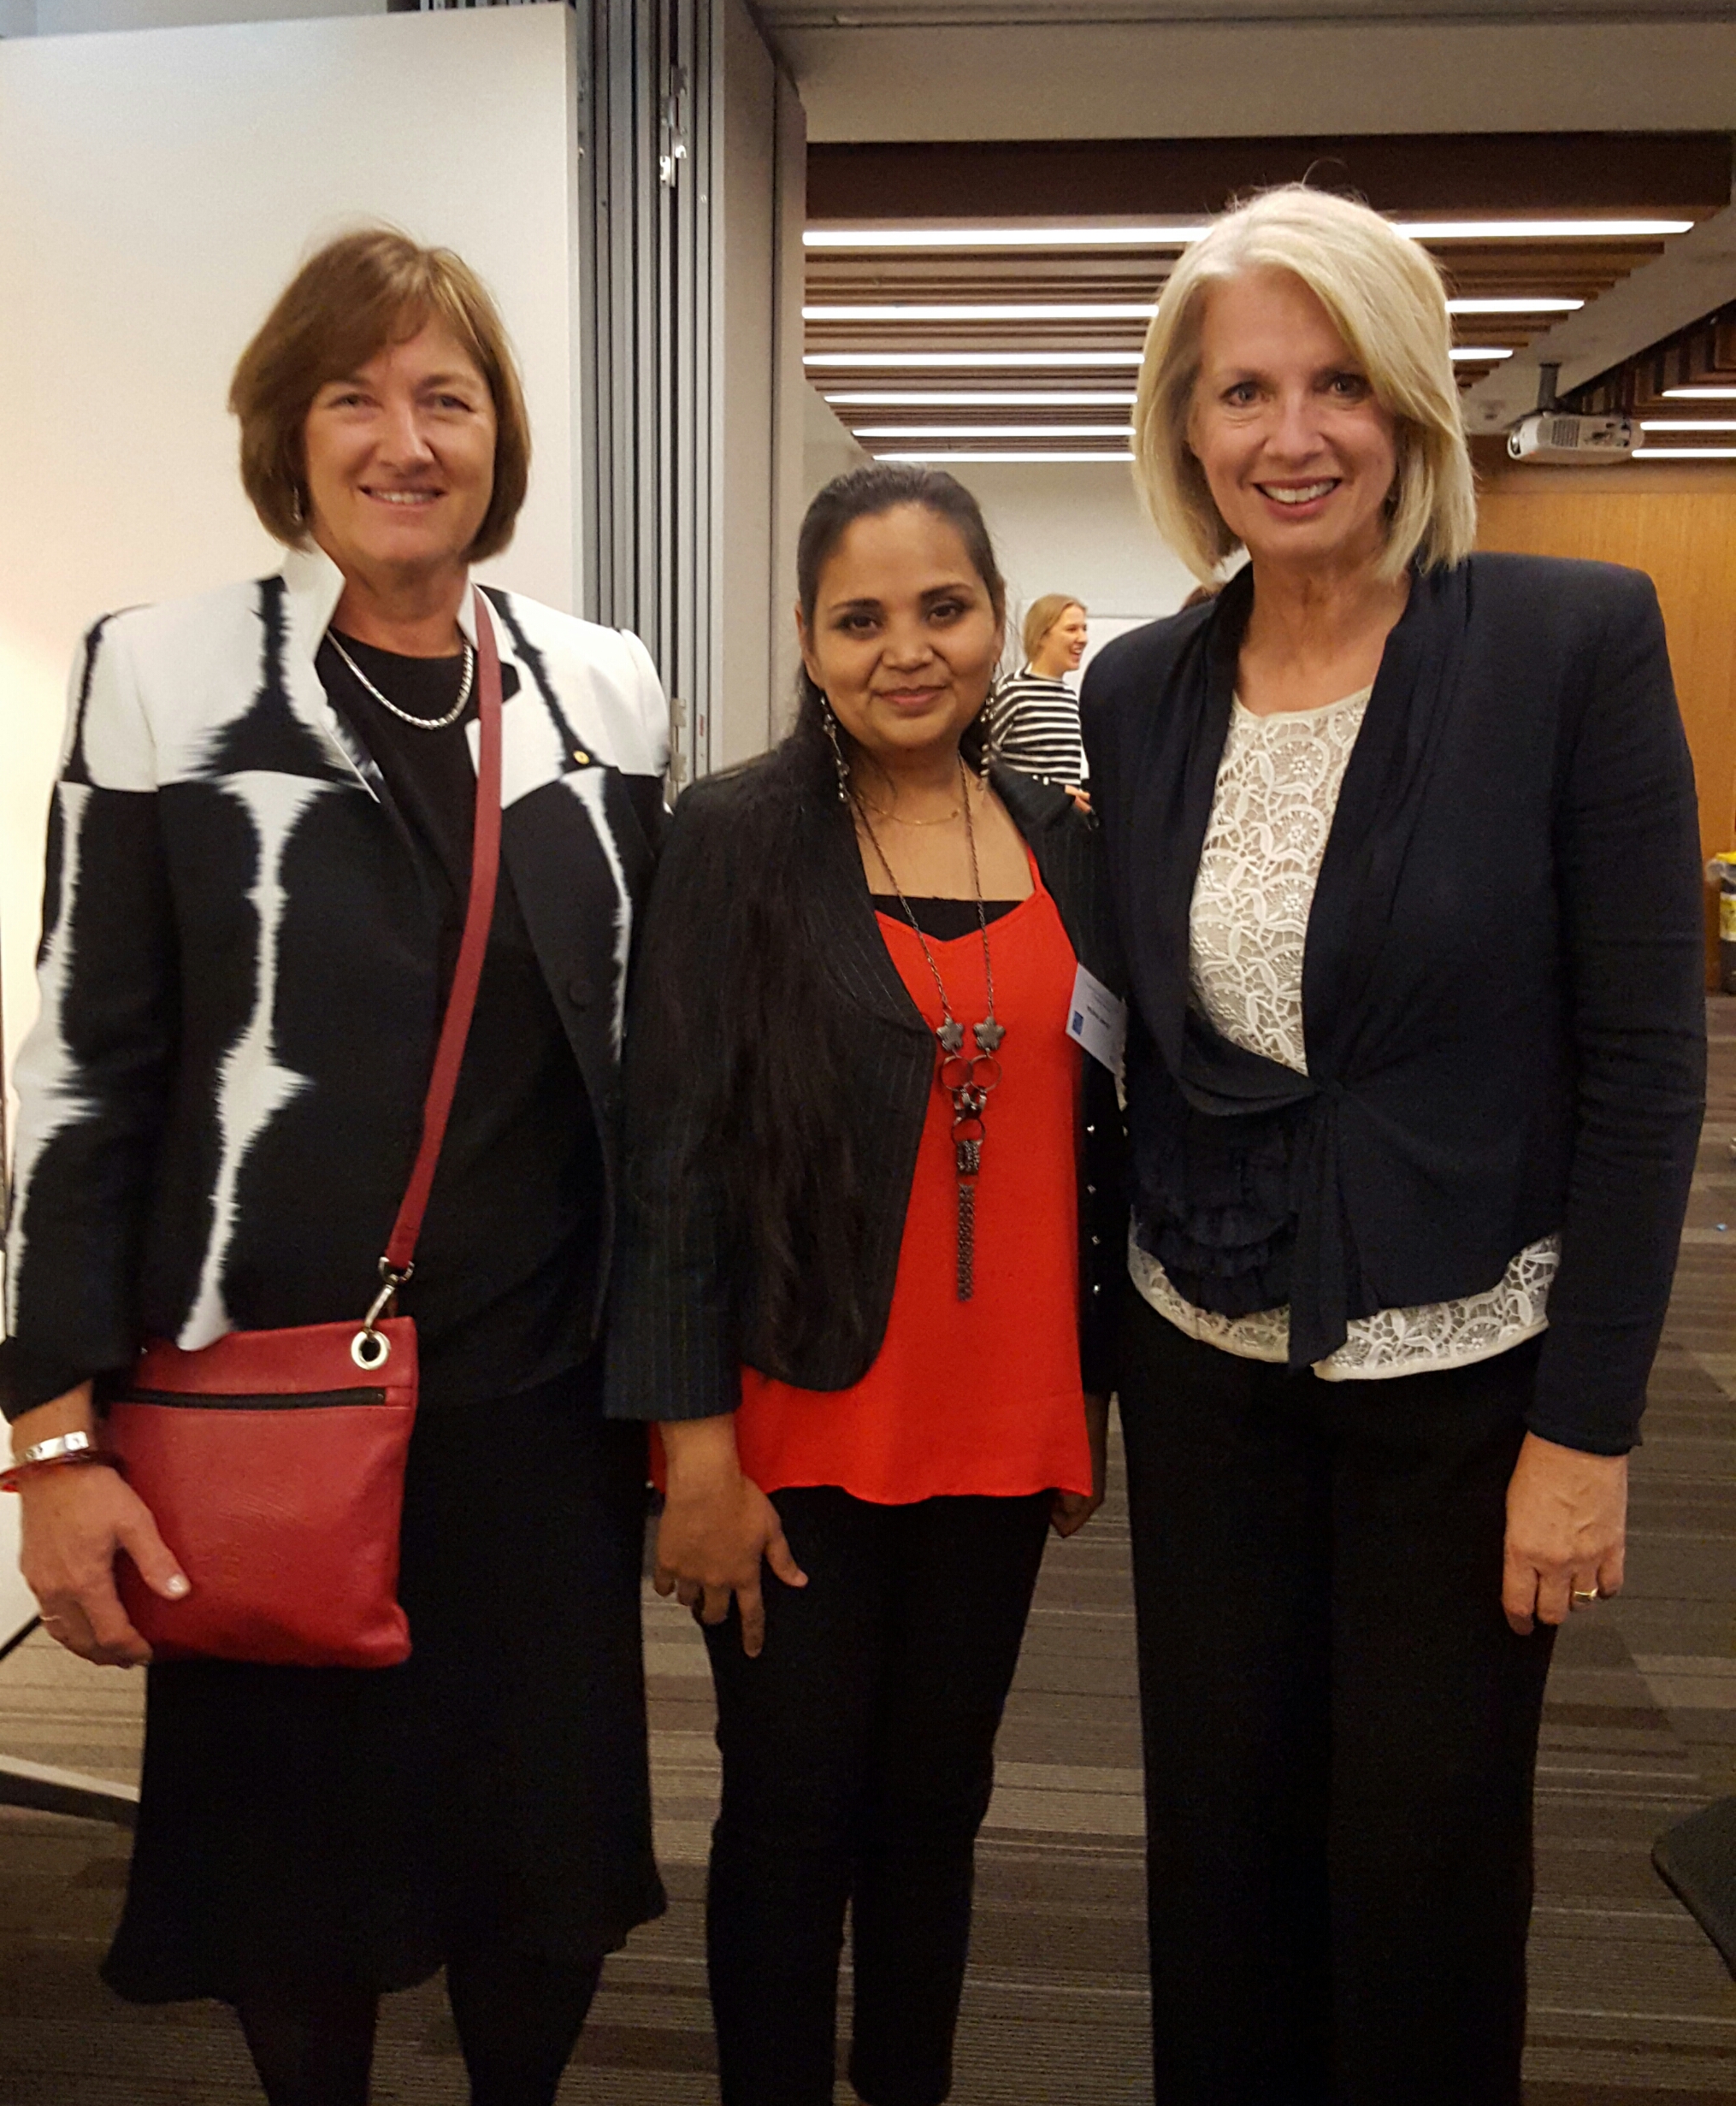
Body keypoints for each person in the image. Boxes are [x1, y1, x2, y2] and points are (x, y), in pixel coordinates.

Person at [2, 230, 670, 2106]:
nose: (404, 436)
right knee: (299, 1880)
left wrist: (681, 1399)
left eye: (445, 395)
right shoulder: (167, 671)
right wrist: (53, 1437)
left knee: (538, 1869)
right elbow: (86, 1069)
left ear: (498, 437)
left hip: (537, 1407)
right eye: (354, 394)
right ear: (286, 435)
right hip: (255, 1400)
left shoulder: (596, 688)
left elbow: (647, 1068)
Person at [1082, 185, 1705, 2106]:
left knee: (1421, 1859)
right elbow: (1150, 1056)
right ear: (1183, 426)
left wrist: (1586, 1435)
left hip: (1464, 1366)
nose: (1290, 435)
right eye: (1241, 389)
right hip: (1209, 1362)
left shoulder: (1565, 638)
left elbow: (1643, 1060)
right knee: (1221, 1841)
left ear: (1413, 405)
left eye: (1338, 382)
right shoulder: (1138, 682)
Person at [605, 464, 1123, 2106]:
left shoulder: (1059, 835)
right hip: (798, 1419)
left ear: (993, 619)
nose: (910, 649)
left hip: (1007, 1415)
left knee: (939, 1804)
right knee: (789, 1808)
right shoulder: (741, 832)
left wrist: (1092, 1393)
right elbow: (671, 1157)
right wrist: (692, 1453)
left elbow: (1098, 1123)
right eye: (862, 617)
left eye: (944, 608)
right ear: (812, 643)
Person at [986, 592, 1089, 805]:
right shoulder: (1011, 691)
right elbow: (984, 763)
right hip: (1025, 827)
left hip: (1062, 826)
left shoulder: (1069, 697)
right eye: (1072, 629)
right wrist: (1054, 792)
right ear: (1041, 636)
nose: (1083, 638)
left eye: (1084, 629)